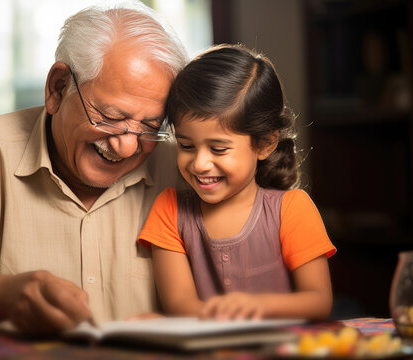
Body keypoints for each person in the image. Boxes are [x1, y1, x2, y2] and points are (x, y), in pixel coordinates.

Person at [0, 1, 188, 333]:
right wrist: (1, 296)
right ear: (58, 88)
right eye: (112, 118)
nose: (128, 146)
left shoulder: (182, 167)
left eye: (150, 127)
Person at [138, 44, 336, 321]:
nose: (199, 164)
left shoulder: (292, 209)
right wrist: (229, 318)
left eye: (218, 149)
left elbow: (318, 301)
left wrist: (257, 306)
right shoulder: (169, 209)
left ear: (265, 143)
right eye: (186, 145)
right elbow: (178, 303)